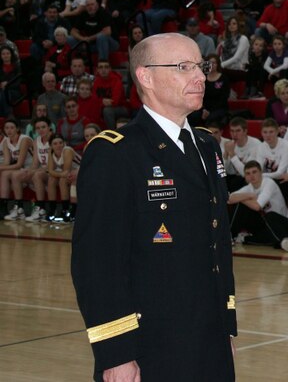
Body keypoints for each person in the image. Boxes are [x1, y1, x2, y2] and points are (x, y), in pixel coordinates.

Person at [71, 33, 237, 382]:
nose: (201, 76)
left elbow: (218, 248)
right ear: (145, 76)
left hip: (210, 341)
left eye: (200, 66)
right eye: (183, 67)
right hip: (151, 348)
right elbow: (97, 265)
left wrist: (227, 327)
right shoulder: (116, 154)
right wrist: (116, 353)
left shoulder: (207, 146)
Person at [227, 160, 288, 247]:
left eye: (254, 172)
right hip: (264, 223)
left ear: (261, 172)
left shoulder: (268, 183)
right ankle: (229, 237)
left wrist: (241, 198)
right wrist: (249, 195)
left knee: (270, 216)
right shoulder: (249, 188)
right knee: (240, 205)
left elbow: (257, 206)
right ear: (245, 176)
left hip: (280, 223)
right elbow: (229, 199)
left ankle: (245, 239)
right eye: (248, 173)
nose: (251, 176)